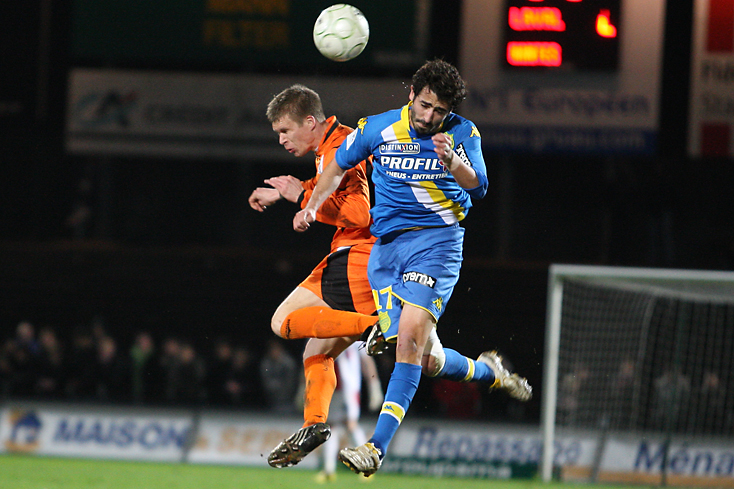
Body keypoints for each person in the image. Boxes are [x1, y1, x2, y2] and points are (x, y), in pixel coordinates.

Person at [293, 59, 532, 477]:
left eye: (439, 111)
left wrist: (453, 162)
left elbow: (479, 186)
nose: (429, 116)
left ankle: (375, 448)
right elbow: (337, 166)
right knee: (425, 360)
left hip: (436, 245)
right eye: (424, 105)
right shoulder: (378, 128)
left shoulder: (462, 133)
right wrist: (312, 206)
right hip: (386, 253)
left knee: (407, 342)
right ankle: (489, 371)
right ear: (411, 95)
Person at [315, 342, 383, 483]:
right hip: (330, 386)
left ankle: (367, 466)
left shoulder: (351, 333)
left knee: (350, 424)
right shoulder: (319, 333)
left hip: (349, 387)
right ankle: (328, 470)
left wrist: (373, 384)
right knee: (330, 426)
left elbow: (366, 359)